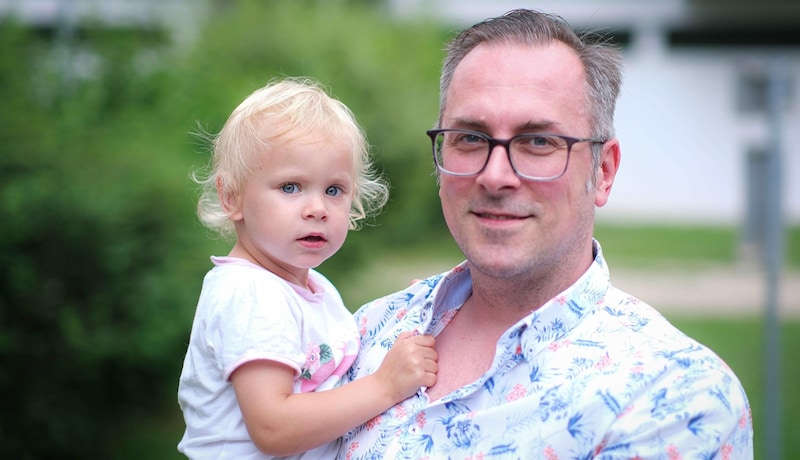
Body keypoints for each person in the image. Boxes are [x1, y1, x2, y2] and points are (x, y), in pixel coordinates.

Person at [339, 9, 753, 459]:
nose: (495, 176)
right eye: (471, 138)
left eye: (538, 142)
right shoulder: (365, 333)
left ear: (604, 171)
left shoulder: (672, 396)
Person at [177, 77, 438, 459]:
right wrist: (386, 386)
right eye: (290, 187)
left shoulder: (314, 287)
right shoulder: (251, 294)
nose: (317, 208)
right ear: (231, 196)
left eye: (334, 190)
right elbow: (273, 428)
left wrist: (408, 312)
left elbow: (345, 367)